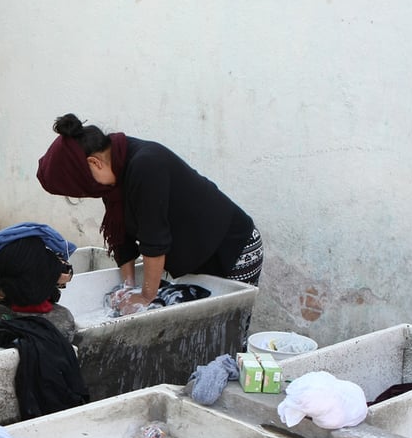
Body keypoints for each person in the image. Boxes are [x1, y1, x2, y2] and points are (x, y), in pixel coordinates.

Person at [37, 113, 263, 312]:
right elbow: (121, 238)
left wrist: (145, 296)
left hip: (233, 249)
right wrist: (127, 286)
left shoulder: (146, 166)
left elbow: (154, 241)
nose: (92, 193)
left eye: (86, 188)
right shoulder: (114, 174)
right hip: (196, 253)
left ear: (94, 162)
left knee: (227, 335)